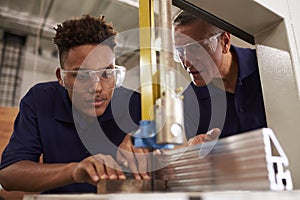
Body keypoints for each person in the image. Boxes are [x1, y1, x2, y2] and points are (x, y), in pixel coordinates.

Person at [0, 14, 149, 194]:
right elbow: (9, 175)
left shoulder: (136, 104)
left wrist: (143, 135)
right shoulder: (40, 100)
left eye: (106, 73)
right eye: (82, 75)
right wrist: (74, 170)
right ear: (61, 77)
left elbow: (171, 138)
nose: (97, 87)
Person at [173, 11, 267, 143]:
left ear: (225, 42)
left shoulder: (267, 68)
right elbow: (204, 158)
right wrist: (195, 153)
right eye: (180, 52)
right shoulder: (190, 101)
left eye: (196, 48)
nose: (187, 62)